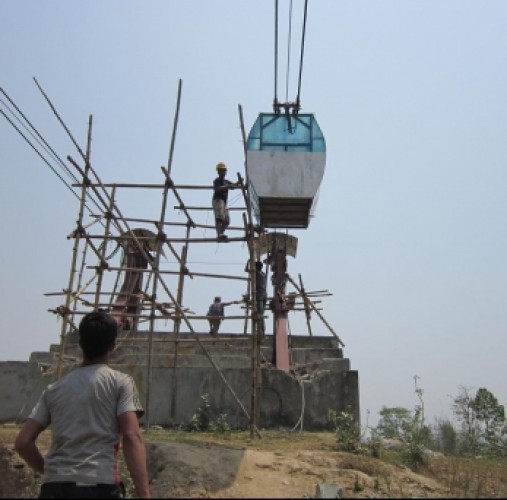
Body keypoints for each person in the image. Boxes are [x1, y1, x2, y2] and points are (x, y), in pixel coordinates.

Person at [14, 310, 151, 499]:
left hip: (54, 488)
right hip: (99, 484)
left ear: (80, 344)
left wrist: (50, 471)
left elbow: (23, 442)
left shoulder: (54, 389)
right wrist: (144, 494)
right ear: (113, 346)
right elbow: (131, 436)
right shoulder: (120, 383)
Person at [212, 162, 239, 240]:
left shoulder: (226, 181)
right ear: (218, 171)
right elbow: (216, 189)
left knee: (226, 220)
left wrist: (238, 182)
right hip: (218, 200)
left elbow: (233, 186)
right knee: (219, 218)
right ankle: (219, 234)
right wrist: (227, 186)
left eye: (224, 170)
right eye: (222, 170)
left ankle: (221, 234)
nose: (223, 172)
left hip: (224, 202)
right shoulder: (217, 180)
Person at [254, 261, 268, 335]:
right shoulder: (263, 274)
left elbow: (246, 270)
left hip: (259, 293)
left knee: (260, 313)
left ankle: (261, 330)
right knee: (261, 312)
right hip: (264, 293)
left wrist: (248, 262)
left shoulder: (256, 273)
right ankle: (261, 330)